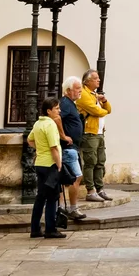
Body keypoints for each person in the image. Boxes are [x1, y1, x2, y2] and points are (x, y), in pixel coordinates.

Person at [28, 97, 69, 239]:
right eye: (56, 108)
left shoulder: (38, 123)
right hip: (50, 164)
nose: (59, 111)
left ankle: (35, 228)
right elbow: (53, 147)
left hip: (40, 163)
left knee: (40, 197)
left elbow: (30, 140)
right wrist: (59, 165)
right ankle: (50, 229)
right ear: (48, 111)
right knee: (52, 197)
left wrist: (39, 149)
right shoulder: (50, 125)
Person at [77, 71, 113, 202]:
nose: (98, 81)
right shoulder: (84, 94)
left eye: (98, 78)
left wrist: (104, 100)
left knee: (100, 162)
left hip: (99, 133)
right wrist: (102, 112)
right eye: (95, 79)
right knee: (90, 162)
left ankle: (100, 189)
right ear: (87, 81)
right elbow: (96, 111)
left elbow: (108, 109)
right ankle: (90, 190)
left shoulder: (94, 95)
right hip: (89, 133)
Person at [59, 77, 87, 216]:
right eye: (77, 88)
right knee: (76, 177)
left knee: (68, 178)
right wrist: (63, 136)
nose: (80, 91)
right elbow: (57, 118)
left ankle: (64, 207)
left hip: (73, 147)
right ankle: (71, 208)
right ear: (68, 90)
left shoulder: (70, 103)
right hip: (68, 148)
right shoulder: (65, 103)